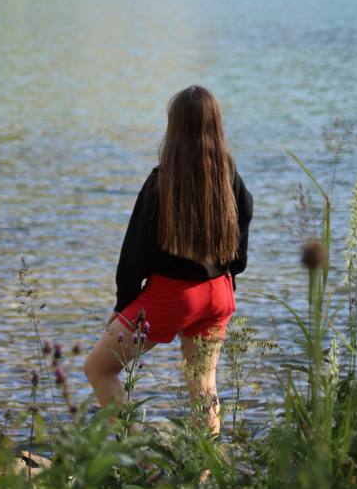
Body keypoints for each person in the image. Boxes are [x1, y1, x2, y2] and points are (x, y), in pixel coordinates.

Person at [84, 84, 253, 433]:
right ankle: (206, 475)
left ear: (174, 127)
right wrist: (230, 270)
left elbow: (134, 252)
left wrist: (123, 304)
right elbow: (242, 236)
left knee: (98, 369)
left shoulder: (161, 182)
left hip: (173, 296)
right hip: (219, 293)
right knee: (204, 389)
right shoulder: (229, 179)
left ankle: (144, 461)